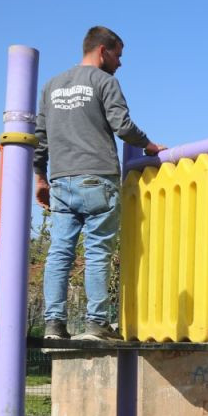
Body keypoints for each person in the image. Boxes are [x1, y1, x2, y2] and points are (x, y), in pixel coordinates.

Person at [33, 26, 165, 340]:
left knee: (59, 253)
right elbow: (122, 126)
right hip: (97, 179)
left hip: (61, 180)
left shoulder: (51, 86)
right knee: (96, 253)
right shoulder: (104, 81)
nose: (120, 63)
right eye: (118, 55)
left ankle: (53, 324)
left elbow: (40, 138)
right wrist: (148, 144)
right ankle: (96, 324)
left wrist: (40, 176)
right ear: (103, 50)